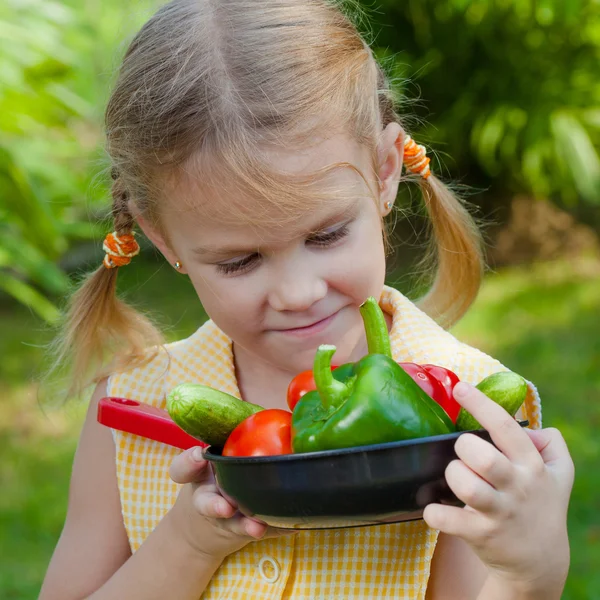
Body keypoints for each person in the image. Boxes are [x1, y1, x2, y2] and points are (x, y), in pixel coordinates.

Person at [39, 1, 574, 598]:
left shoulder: (469, 412)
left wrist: (529, 571)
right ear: (162, 237)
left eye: (325, 235)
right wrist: (189, 543)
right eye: (239, 261)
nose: (297, 294)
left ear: (385, 171)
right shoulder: (130, 413)